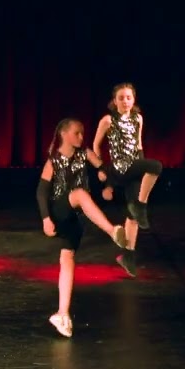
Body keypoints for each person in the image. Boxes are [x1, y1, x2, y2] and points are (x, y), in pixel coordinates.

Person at [38, 118, 130, 338]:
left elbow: (104, 168)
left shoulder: (85, 153)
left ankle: (62, 314)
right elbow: (41, 192)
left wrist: (107, 182)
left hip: (77, 217)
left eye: (82, 133)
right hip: (60, 210)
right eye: (76, 133)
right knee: (79, 194)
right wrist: (46, 219)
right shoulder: (53, 160)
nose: (81, 137)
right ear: (64, 134)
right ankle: (112, 231)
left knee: (67, 258)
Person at [92, 83, 164, 278]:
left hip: (134, 167)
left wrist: (141, 170)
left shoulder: (138, 118)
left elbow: (138, 145)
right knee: (156, 166)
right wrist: (101, 168)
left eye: (128, 97)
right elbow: (96, 145)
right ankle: (141, 205)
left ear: (134, 100)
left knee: (132, 216)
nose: (125, 101)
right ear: (114, 101)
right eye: (121, 98)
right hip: (119, 168)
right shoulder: (108, 120)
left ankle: (128, 256)